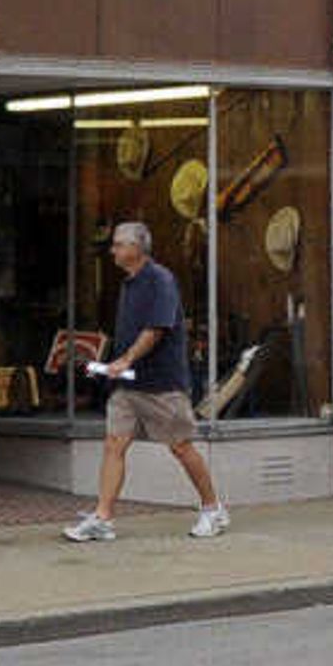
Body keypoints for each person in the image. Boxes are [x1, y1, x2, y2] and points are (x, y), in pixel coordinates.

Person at [67, 220, 226, 543]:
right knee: (115, 444)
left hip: (161, 384)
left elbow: (156, 328)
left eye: (118, 244)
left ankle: (213, 509)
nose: (112, 250)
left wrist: (126, 359)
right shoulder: (129, 283)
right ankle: (103, 517)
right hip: (127, 385)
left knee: (181, 447)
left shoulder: (160, 280)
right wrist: (111, 363)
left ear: (136, 248)